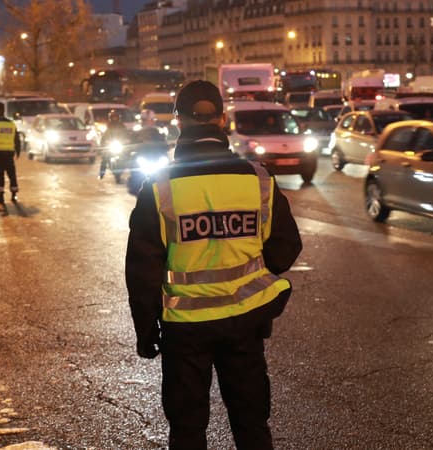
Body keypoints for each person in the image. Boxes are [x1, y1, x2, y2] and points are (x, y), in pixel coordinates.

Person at [125, 80, 303, 449]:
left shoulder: (159, 187)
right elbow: (287, 246)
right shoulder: (258, 179)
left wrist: (146, 331)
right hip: (245, 323)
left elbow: (142, 271)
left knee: (188, 428)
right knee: (251, 423)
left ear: (177, 122)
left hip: (185, 329)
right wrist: (251, 270)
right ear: (223, 119)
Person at [0, 102, 21, 203]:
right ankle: (14, 194)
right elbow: (16, 138)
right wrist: (18, 151)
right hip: (9, 154)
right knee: (11, 174)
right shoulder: (11, 123)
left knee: (0, 175)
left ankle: (1, 196)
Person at [98, 109, 129, 179]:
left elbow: (126, 134)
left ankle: (131, 171)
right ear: (111, 118)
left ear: (118, 117)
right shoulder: (108, 126)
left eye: (116, 117)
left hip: (120, 144)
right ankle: (101, 174)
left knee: (127, 156)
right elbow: (104, 136)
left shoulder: (122, 126)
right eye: (113, 117)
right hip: (111, 145)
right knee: (105, 158)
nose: (115, 118)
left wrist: (127, 140)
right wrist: (103, 144)